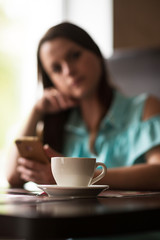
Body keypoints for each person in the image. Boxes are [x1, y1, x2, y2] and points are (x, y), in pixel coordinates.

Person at [6, 22, 160, 189]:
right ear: (52, 82)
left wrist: (72, 177)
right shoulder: (60, 126)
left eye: (74, 56)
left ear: (95, 53)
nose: (68, 71)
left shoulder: (145, 107)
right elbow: (13, 176)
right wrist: (36, 111)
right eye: (57, 68)